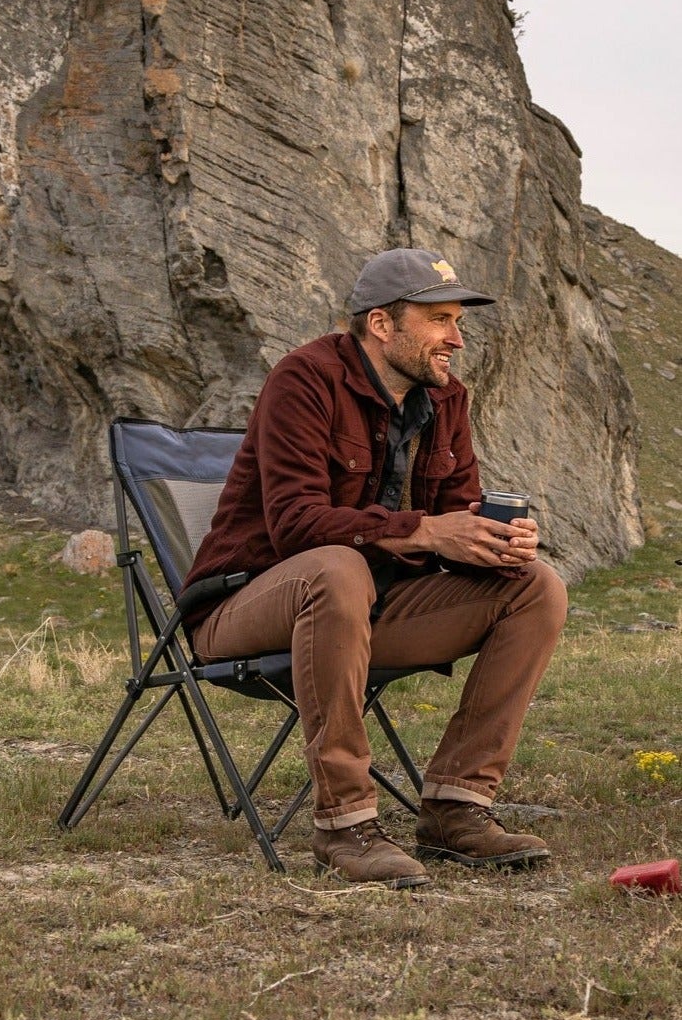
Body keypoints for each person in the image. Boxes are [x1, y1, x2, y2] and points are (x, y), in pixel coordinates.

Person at [182, 249, 568, 888]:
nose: (457, 338)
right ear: (381, 325)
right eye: (439, 320)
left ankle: (455, 809)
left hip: (363, 613)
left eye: (457, 321)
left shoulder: (445, 400)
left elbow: (449, 514)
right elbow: (296, 525)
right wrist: (426, 530)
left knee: (536, 589)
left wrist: (488, 540)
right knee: (336, 567)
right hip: (245, 605)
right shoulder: (304, 380)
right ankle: (344, 825)